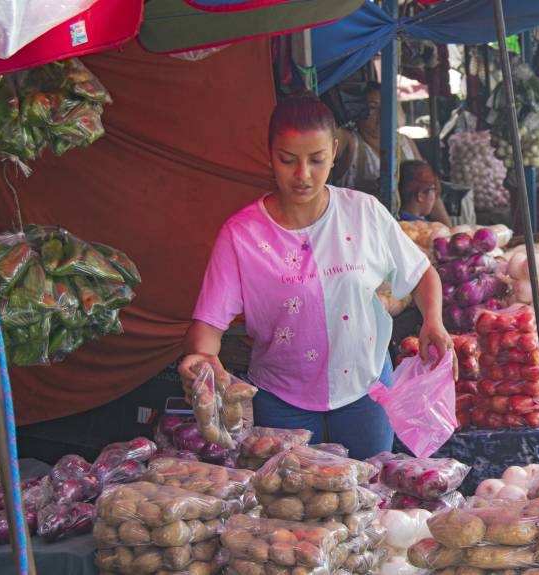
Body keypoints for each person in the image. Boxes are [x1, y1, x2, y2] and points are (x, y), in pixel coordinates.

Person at [179, 93, 454, 460]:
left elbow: (421, 275)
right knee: (287, 509)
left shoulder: (364, 213)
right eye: (288, 160)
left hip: (366, 389)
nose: (302, 175)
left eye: (317, 159)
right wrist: (202, 358)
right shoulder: (241, 234)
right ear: (270, 153)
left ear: (335, 150)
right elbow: (208, 324)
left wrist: (432, 321)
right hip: (281, 399)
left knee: (370, 498)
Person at [335, 83, 453, 224]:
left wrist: (448, 230)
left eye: (388, 106)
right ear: (359, 110)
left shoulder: (405, 143)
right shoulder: (349, 142)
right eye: (373, 107)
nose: (382, 113)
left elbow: (428, 189)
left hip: (407, 230)